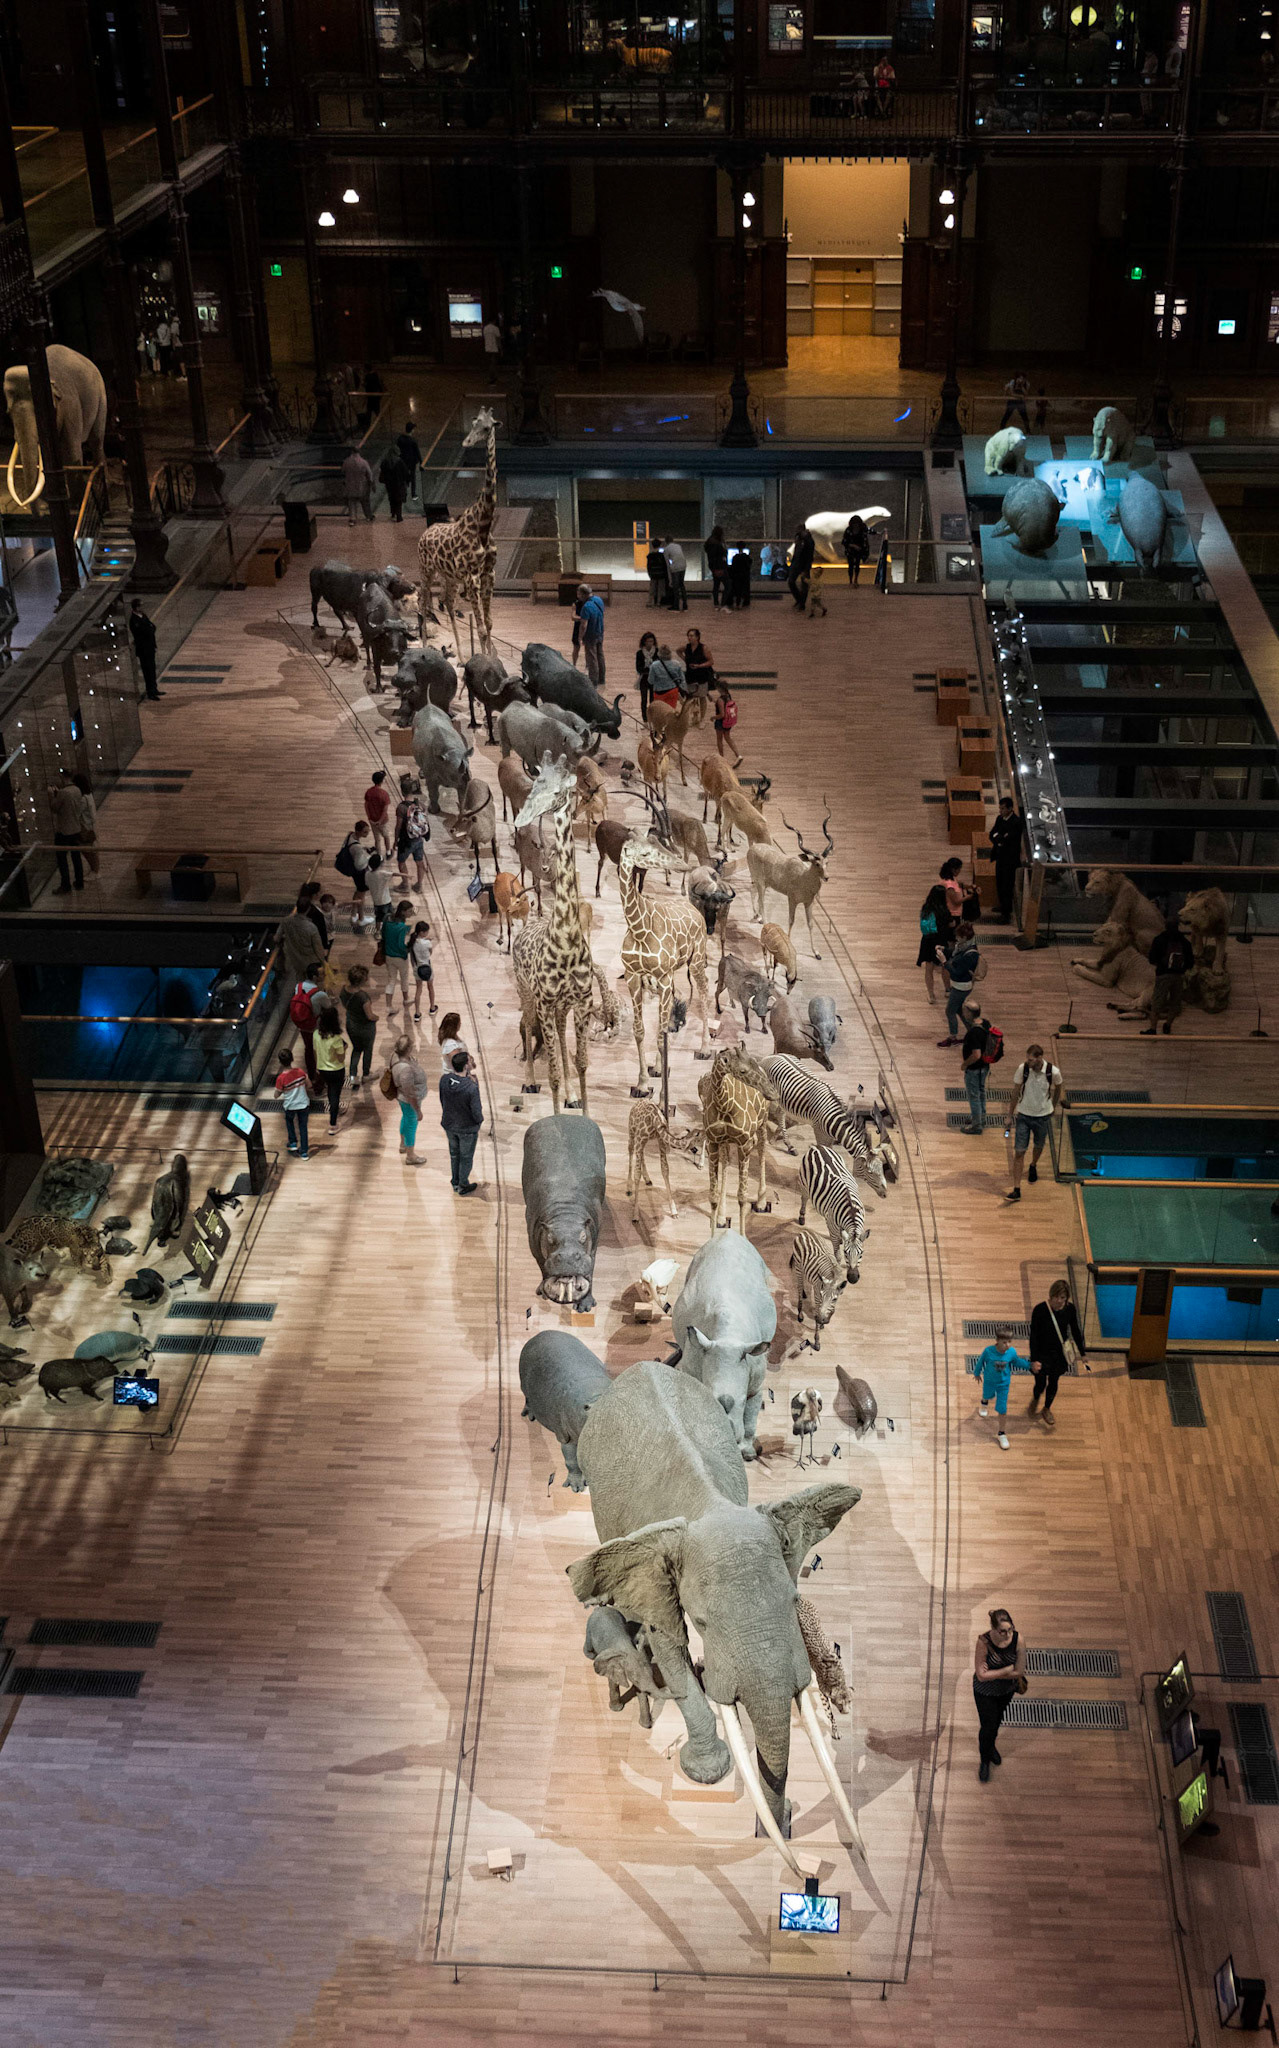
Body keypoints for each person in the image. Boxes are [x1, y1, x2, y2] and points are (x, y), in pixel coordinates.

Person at [1005, 1043, 1063, 1200]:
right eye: (1028, 1060)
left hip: (1043, 1117)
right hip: (1023, 1115)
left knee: (1038, 1145)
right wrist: (1009, 1115)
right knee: (1019, 1151)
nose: (1029, 1063)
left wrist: (1052, 1106)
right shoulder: (1023, 1069)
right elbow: (1016, 1092)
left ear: (1040, 1058)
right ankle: (1017, 1189)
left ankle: (1033, 1165)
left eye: (1031, 1060)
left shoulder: (1053, 1072)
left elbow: (1058, 1088)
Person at [974, 1608, 1024, 1779]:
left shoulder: (1018, 1639)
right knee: (987, 1727)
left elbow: (1019, 1671)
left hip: (1005, 1691)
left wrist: (994, 1673)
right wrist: (1006, 1670)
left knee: (995, 1723)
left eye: (1010, 1629)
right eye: (1003, 1631)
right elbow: (981, 1676)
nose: (1008, 1634)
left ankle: (991, 1747)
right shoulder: (984, 1642)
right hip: (985, 1693)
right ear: (994, 1629)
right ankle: (984, 1760)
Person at [1028, 1281, 1087, 1426]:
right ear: (1051, 1295)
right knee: (1040, 1384)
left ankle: (1047, 1408)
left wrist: (1082, 1352)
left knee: (1053, 1381)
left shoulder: (1069, 1309)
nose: (1060, 1301)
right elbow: (1033, 1337)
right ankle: (1036, 1396)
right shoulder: (1040, 1310)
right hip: (1042, 1353)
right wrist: (1033, 1360)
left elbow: (1075, 1331)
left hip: (1059, 1355)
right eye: (1057, 1297)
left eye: (1063, 1298)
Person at [975, 1326, 1029, 1450]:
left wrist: (1029, 1366)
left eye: (1009, 1342)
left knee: (1002, 1409)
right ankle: (984, 1403)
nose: (1007, 1345)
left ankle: (1001, 1433)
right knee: (987, 1394)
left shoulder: (1011, 1352)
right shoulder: (988, 1351)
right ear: (997, 1340)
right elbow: (980, 1362)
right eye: (1004, 1342)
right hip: (989, 1381)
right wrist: (977, 1373)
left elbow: (1017, 1362)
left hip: (1003, 1385)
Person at [440, 1048, 484, 1194]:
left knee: (454, 1153)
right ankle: (463, 1184)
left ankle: (455, 1181)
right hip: (467, 1129)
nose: (471, 1062)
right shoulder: (471, 1087)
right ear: (466, 1066)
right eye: (470, 1061)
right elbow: (476, 1111)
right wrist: (479, 1122)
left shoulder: (444, 1080)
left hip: (449, 1124)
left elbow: (442, 1100)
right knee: (466, 1157)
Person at [1144, 912, 1192, 1035]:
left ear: (1165, 926)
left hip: (1163, 975)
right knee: (1175, 1004)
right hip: (1178, 977)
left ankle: (1153, 1029)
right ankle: (1167, 1025)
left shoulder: (1159, 940)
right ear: (1178, 926)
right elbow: (1190, 962)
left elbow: (1151, 959)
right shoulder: (1185, 943)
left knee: (1156, 1004)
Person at [938, 920, 981, 1045]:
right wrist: (945, 949)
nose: (956, 938)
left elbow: (957, 972)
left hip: (961, 987)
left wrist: (944, 962)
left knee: (950, 1011)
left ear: (964, 937)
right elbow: (955, 954)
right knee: (959, 1010)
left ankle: (953, 1038)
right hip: (960, 985)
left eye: (958, 936)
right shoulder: (964, 946)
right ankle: (972, 1032)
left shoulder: (970, 954)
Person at [389, 1032, 428, 1164]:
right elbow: (410, 1093)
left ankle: (402, 1145)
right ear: (409, 1049)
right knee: (412, 1125)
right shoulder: (405, 1070)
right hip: (409, 1101)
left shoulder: (395, 1056)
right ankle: (410, 1156)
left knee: (405, 1119)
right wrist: (418, 1110)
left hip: (403, 1100)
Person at [959, 999, 996, 1134]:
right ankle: (981, 1117)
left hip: (974, 1069)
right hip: (984, 1067)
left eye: (964, 1010)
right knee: (981, 1093)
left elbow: (976, 1055)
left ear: (969, 1013)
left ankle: (976, 1126)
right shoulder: (985, 1023)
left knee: (974, 1096)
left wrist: (964, 1064)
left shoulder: (974, 1032)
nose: (963, 1013)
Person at [341, 961, 378, 1090]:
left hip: (351, 1024)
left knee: (356, 1050)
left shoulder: (344, 990)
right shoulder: (363, 997)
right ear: (362, 980)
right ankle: (366, 1075)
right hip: (365, 1028)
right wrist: (376, 1018)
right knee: (367, 1050)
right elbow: (370, 1016)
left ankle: (353, 1078)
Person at [987, 796, 1024, 923]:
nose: (1000, 811)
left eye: (1003, 808)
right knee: (999, 882)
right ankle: (1002, 906)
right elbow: (992, 834)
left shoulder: (1016, 822)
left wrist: (1000, 838)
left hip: (1010, 859)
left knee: (1007, 885)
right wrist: (999, 838)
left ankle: (1006, 913)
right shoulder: (999, 819)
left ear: (1009, 808)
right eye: (1000, 808)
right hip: (1000, 857)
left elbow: (1008, 839)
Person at [917, 883, 955, 1004]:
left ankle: (931, 994)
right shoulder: (944, 910)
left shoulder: (926, 908)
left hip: (928, 941)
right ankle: (948, 989)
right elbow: (951, 924)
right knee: (945, 966)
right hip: (941, 941)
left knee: (929, 968)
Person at [48, 772, 85, 892]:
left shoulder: (63, 793)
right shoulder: (77, 790)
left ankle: (65, 885)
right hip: (75, 828)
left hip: (64, 831)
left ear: (63, 778)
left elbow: (54, 808)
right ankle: (79, 882)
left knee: (62, 859)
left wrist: (51, 796)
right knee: (76, 857)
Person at [274, 1048, 313, 1159]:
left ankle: (293, 1142)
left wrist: (277, 1094)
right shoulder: (300, 1072)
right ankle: (304, 1152)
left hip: (290, 1105)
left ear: (280, 1062)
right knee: (303, 1127)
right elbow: (309, 1085)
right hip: (303, 1104)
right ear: (292, 1059)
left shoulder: (281, 1078)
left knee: (289, 1121)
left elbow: (277, 1094)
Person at [314, 1010, 348, 1134]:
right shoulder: (336, 1039)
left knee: (330, 1091)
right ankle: (333, 1124)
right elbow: (341, 1058)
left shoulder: (316, 1035)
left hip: (322, 1069)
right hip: (336, 1070)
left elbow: (315, 1051)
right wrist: (344, 1048)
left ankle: (336, 1108)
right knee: (335, 1095)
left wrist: (317, 1067)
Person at [289, 974, 323, 1087]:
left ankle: (312, 1074)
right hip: (314, 1024)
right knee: (321, 1048)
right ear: (315, 977)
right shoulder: (318, 993)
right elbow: (327, 1007)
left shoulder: (297, 987)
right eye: (321, 973)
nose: (323, 975)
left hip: (302, 1024)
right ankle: (320, 1078)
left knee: (308, 1048)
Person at [395, 776, 428, 891]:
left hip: (406, 840)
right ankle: (419, 885)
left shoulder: (401, 807)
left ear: (402, 791)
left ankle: (405, 885)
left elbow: (398, 826)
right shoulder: (421, 805)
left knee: (401, 861)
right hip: (418, 839)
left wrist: (395, 841)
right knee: (419, 862)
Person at [280, 901, 326, 983]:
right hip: (310, 961)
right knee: (312, 981)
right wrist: (323, 962)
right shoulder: (311, 927)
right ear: (308, 910)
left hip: (295, 959)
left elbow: (276, 938)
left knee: (300, 980)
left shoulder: (286, 921)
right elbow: (318, 947)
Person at [382, 899, 413, 1016]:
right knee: (404, 978)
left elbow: (383, 934)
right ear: (403, 912)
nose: (411, 913)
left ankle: (389, 1006)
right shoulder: (401, 927)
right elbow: (401, 945)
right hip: (400, 958)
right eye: (409, 911)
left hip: (388, 956)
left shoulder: (387, 918)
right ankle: (406, 1000)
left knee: (391, 981)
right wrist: (406, 952)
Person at [340, 818, 373, 926]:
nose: (367, 834)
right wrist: (368, 858)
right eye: (365, 832)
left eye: (368, 831)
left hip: (353, 872)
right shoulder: (357, 848)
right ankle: (362, 918)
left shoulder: (350, 835)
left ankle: (354, 915)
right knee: (361, 897)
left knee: (358, 893)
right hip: (360, 874)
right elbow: (359, 865)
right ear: (358, 831)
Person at [129, 597, 162, 699]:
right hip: (143, 649)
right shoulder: (134, 620)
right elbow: (143, 632)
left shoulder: (143, 615)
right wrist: (149, 629)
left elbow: (152, 627)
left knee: (152, 669)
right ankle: (150, 692)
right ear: (136, 607)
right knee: (147, 670)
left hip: (150, 646)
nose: (141, 607)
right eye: (140, 606)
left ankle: (154, 689)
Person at [577, 583, 606, 687]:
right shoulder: (599, 600)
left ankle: (593, 681)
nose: (578, 596)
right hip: (600, 631)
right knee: (600, 655)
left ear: (584, 594)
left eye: (579, 594)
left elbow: (584, 625)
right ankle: (602, 679)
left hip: (590, 635)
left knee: (592, 658)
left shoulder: (586, 606)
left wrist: (580, 637)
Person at [295, 881, 331, 958]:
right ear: (315, 895)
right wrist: (325, 947)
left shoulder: (302, 903)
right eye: (320, 891)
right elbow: (322, 931)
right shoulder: (315, 913)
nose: (322, 893)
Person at [73, 772, 98, 876]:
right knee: (91, 850)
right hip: (90, 825)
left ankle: (94, 870)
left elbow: (77, 812)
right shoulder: (89, 795)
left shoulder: (83, 799)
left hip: (85, 827)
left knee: (88, 851)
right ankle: (94, 869)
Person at [411, 919, 437, 1021]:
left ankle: (417, 1013)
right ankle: (432, 1008)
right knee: (430, 987)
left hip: (417, 968)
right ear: (422, 932)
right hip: (427, 967)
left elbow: (413, 957)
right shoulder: (427, 943)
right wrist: (427, 941)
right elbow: (430, 953)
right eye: (426, 932)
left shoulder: (413, 942)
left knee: (418, 990)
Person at [364, 769, 394, 859]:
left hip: (372, 820)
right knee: (386, 836)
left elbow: (366, 805)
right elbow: (385, 810)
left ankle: (379, 856)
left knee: (377, 839)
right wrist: (380, 821)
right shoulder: (384, 794)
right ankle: (388, 852)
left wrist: (369, 818)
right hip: (383, 821)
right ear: (381, 781)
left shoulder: (369, 792)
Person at [713, 681, 742, 768]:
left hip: (721, 722)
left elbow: (722, 714)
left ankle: (722, 759)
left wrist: (713, 717)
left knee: (719, 740)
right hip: (728, 721)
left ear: (719, 688)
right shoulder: (728, 696)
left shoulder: (720, 700)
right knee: (728, 737)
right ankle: (738, 755)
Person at [342, 447, 375, 524]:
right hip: (362, 486)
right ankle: (368, 516)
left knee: (352, 502)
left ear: (351, 452)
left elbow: (343, 471)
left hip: (350, 485)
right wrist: (371, 483)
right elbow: (369, 474)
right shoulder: (363, 462)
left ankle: (352, 519)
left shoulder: (346, 461)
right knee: (365, 502)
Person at [647, 642, 683, 710]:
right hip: (672, 692)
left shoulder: (654, 665)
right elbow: (681, 679)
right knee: (670, 713)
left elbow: (650, 681)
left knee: (660, 714)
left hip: (659, 694)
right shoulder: (677, 664)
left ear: (659, 654)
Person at [378, 446, 410, 522]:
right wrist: (407, 481)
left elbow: (382, 471)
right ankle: (399, 516)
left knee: (392, 498)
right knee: (399, 500)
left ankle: (393, 512)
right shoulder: (400, 461)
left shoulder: (385, 461)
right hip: (399, 484)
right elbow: (405, 472)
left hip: (389, 484)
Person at [787, 524, 814, 611]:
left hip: (804, 565)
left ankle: (802, 604)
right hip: (796, 564)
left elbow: (809, 555)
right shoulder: (798, 538)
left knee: (804, 585)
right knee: (791, 582)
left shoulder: (809, 540)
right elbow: (797, 551)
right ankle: (799, 599)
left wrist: (807, 568)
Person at [366, 852, 394, 932]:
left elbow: (367, 884)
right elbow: (394, 874)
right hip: (386, 901)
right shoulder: (382, 874)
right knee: (389, 916)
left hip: (376, 901)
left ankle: (377, 931)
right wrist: (407, 876)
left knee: (378, 917)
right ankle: (388, 930)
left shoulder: (367, 874)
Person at [681, 626, 714, 693]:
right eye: (688, 636)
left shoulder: (703, 648)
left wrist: (699, 666)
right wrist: (685, 659)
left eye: (691, 636)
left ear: (697, 637)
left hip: (701, 675)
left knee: (702, 696)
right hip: (690, 675)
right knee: (690, 695)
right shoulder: (687, 647)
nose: (689, 638)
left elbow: (711, 661)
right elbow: (678, 651)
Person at [635, 629, 659, 719]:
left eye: (652, 641)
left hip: (654, 679)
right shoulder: (640, 653)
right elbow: (638, 668)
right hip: (644, 679)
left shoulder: (657, 652)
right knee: (644, 699)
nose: (650, 643)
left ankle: (653, 717)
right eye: (648, 641)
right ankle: (644, 718)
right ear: (644, 642)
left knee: (653, 700)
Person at [841, 512, 870, 585]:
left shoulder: (862, 530)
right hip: (850, 551)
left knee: (857, 565)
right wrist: (853, 546)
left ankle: (855, 579)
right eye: (854, 524)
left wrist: (864, 552)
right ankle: (851, 580)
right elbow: (844, 541)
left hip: (859, 551)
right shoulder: (848, 530)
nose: (855, 525)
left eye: (857, 524)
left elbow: (865, 541)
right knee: (850, 565)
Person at [705, 525, 729, 608]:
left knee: (716, 584)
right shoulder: (717, 544)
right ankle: (723, 603)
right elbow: (721, 554)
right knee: (728, 585)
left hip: (714, 566)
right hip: (719, 566)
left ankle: (716, 603)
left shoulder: (710, 542)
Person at [396, 421, 421, 501]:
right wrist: (421, 462)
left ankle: (403, 494)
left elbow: (397, 449)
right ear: (412, 430)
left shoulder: (400, 439)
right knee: (413, 478)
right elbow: (417, 452)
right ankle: (413, 494)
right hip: (412, 462)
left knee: (403, 478)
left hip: (403, 461)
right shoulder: (413, 440)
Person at [662, 535, 687, 611]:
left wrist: (670, 580)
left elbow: (667, 564)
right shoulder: (678, 546)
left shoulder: (666, 549)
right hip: (683, 565)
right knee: (681, 585)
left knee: (675, 587)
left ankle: (676, 606)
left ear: (666, 542)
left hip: (675, 567)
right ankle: (685, 605)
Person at [645, 540, 668, 609]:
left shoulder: (650, 555)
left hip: (653, 574)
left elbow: (648, 566)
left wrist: (650, 574)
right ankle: (658, 603)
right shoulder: (661, 555)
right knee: (660, 589)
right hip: (661, 574)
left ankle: (650, 602)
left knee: (652, 588)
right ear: (659, 545)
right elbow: (665, 565)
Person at [361, 363, 384, 428]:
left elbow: (365, 384)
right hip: (376, 396)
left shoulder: (368, 376)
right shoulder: (375, 374)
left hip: (371, 397)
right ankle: (382, 424)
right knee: (377, 411)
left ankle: (368, 425)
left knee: (369, 412)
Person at [728, 544, 751, 608]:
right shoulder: (746, 557)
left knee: (736, 589)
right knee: (743, 589)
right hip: (744, 576)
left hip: (736, 576)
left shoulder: (735, 557)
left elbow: (733, 567)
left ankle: (736, 603)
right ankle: (743, 602)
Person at [482, 316, 502, 382]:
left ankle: (491, 376)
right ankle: (492, 377)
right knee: (493, 363)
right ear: (494, 321)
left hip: (487, 347)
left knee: (490, 363)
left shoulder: (485, 328)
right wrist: (500, 348)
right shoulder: (495, 328)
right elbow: (498, 339)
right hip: (494, 348)